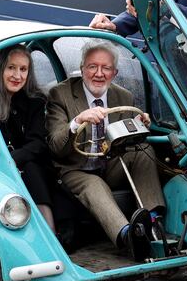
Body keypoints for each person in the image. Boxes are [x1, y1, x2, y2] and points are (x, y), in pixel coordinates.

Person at [45, 39, 165, 261]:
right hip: (75, 169)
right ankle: (127, 237)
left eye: (106, 68)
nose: (98, 73)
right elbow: (55, 145)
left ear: (114, 72)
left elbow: (127, 142)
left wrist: (140, 124)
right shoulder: (60, 94)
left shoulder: (123, 97)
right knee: (94, 184)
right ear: (82, 69)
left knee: (143, 149)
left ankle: (154, 223)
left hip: (110, 164)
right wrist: (77, 121)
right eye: (92, 67)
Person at [0, 45, 57, 233]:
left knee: (30, 167)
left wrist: (13, 159)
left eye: (23, 69)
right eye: (11, 68)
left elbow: (37, 143)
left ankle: (48, 229)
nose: (17, 75)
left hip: (32, 166)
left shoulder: (35, 101)